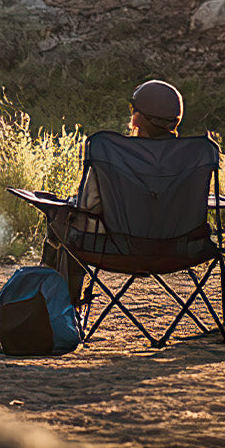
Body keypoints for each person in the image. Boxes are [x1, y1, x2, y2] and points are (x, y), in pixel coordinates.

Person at [40, 80, 185, 300]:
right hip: (179, 250)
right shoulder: (191, 156)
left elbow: (87, 206)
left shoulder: (113, 155)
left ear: (137, 119)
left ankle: (60, 308)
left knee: (64, 222)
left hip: (118, 249)